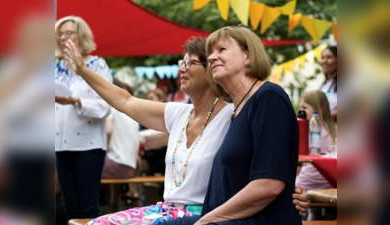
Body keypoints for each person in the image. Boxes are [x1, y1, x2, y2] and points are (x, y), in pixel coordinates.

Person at [63, 35, 309, 225]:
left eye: (190, 62)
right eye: (182, 61)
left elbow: (264, 161)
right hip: (165, 209)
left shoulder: (234, 114)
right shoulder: (179, 113)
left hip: (203, 212)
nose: (181, 68)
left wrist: (292, 192)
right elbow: (126, 101)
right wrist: (84, 71)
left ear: (210, 73)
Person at [55, 16, 112, 223]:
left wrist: (75, 101)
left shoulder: (97, 65)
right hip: (60, 144)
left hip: (88, 146)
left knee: (88, 206)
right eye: (60, 34)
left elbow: (105, 106)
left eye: (68, 33)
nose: (63, 38)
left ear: (82, 35)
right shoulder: (54, 68)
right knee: (70, 206)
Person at [296, 90, 337, 220]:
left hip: (309, 180)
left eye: (304, 108)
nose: (301, 111)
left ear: (319, 109)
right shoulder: (333, 129)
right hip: (330, 180)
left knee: (290, 187)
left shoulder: (312, 131)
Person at [102, 78, 141, 211]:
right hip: (130, 167)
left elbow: (108, 130)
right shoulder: (130, 112)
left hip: (119, 166)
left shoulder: (109, 107)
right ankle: (113, 205)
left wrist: (104, 149)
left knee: (76, 166)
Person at [320, 46, 337, 123]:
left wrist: (318, 117)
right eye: (322, 57)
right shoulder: (323, 85)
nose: (324, 61)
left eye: (329, 57)